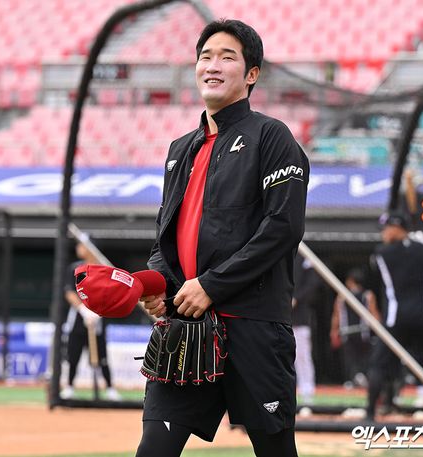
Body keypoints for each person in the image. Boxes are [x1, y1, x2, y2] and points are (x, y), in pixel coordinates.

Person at [137, 19, 309, 457]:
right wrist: (157, 286)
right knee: (154, 447)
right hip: (187, 328)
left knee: (276, 450)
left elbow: (283, 228)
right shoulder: (179, 149)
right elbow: (165, 241)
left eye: (227, 57)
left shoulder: (271, 136)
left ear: (251, 74)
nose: (212, 66)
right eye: (205, 56)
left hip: (254, 327)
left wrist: (211, 286)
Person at [366, 211, 423, 422]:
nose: (383, 233)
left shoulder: (382, 252)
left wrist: (411, 242)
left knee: (378, 365)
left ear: (397, 227)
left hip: (395, 319)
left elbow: (379, 260)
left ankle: (370, 413)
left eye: (387, 228)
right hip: (421, 319)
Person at [61, 241, 121, 401]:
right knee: (73, 355)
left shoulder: (104, 269)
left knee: (101, 356)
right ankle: (69, 387)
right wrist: (83, 310)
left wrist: (97, 312)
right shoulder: (75, 268)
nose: (78, 248)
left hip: (97, 318)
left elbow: (111, 293)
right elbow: (69, 292)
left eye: (82, 245)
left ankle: (110, 389)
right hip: (78, 318)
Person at [330, 268, 380, 388]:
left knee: (351, 360)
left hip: (348, 332)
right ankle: (362, 378)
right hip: (363, 331)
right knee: (364, 359)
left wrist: (334, 331)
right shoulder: (368, 295)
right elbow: (375, 314)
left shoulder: (342, 296)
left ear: (351, 281)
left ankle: (352, 380)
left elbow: (336, 316)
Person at [291, 255, 321, 405]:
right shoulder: (276, 252)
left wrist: (296, 298)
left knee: (302, 356)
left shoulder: (303, 256)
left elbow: (313, 283)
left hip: (299, 318)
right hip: (275, 317)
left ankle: (307, 392)